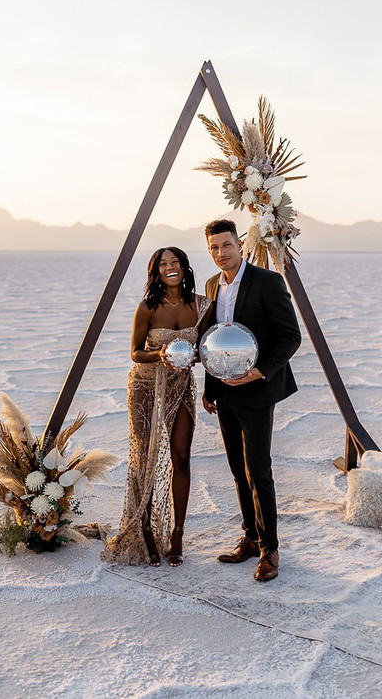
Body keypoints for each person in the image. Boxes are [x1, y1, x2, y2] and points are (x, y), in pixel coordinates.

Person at [202, 219, 301, 581]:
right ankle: (250, 536)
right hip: (224, 391)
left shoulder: (267, 282)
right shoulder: (213, 285)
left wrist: (260, 371)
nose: (220, 253)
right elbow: (214, 341)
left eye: (226, 245)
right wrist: (210, 388)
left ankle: (270, 550)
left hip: (258, 389)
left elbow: (290, 337)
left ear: (240, 245)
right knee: (237, 470)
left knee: (258, 470)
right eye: (213, 247)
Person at [102, 247, 212, 567]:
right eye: (163, 264)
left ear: (184, 267)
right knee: (146, 459)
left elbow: (206, 350)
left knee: (181, 457)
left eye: (175, 262)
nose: (170, 267)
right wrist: (160, 355)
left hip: (181, 386)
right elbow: (135, 352)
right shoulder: (147, 308)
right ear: (156, 272)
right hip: (145, 385)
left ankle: (177, 533)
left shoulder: (203, 306)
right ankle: (146, 529)